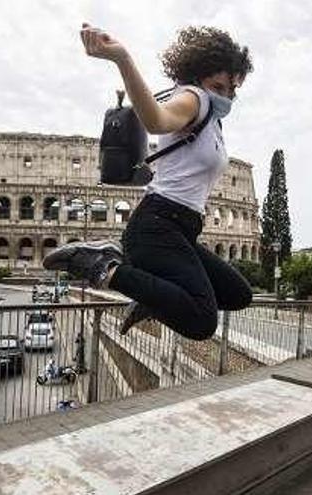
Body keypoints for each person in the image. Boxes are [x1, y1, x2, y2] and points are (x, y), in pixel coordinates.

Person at [43, 24, 254, 339]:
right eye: (218, 85)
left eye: (232, 89)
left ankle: (153, 299)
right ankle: (98, 265)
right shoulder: (195, 99)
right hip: (158, 225)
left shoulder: (213, 120)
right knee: (201, 321)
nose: (225, 96)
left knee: (238, 294)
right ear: (196, 78)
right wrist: (123, 58)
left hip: (181, 229)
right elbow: (156, 120)